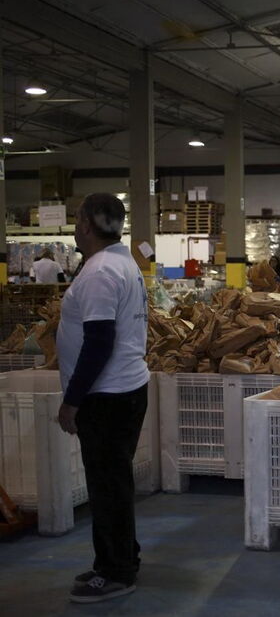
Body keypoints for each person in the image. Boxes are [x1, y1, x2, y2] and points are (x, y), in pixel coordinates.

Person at [56, 193, 149, 604]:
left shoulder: (98, 272)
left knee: (107, 485)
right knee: (115, 482)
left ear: (88, 224)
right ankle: (122, 557)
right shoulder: (122, 261)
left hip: (107, 396)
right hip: (125, 390)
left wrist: (72, 401)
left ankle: (115, 573)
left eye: (77, 218)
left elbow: (98, 342)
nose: (75, 225)